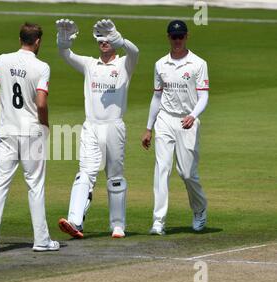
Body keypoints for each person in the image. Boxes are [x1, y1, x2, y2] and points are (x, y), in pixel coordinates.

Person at [56, 19, 139, 239]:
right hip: (91, 126)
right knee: (85, 173)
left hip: (114, 126)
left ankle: (118, 224)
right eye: (100, 38)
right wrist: (63, 40)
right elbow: (66, 55)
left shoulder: (123, 65)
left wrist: (119, 40)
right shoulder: (89, 64)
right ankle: (74, 220)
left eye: (107, 38)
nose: (104, 42)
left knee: (115, 177)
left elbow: (135, 52)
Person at [0, 22, 59, 253]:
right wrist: (44, 124)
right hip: (32, 131)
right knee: (35, 184)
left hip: (7, 131)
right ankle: (41, 241)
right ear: (37, 42)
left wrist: (5, 104)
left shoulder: (2, 59)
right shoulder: (42, 66)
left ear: (20, 39)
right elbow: (41, 102)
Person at [141, 20, 209, 235]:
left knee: (187, 173)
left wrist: (193, 115)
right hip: (165, 120)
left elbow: (203, 96)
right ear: (168, 37)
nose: (177, 40)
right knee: (162, 169)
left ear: (186, 37)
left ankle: (199, 210)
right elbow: (156, 97)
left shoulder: (198, 63)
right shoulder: (160, 64)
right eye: (173, 36)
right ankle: (158, 220)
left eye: (180, 37)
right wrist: (148, 128)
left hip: (188, 121)